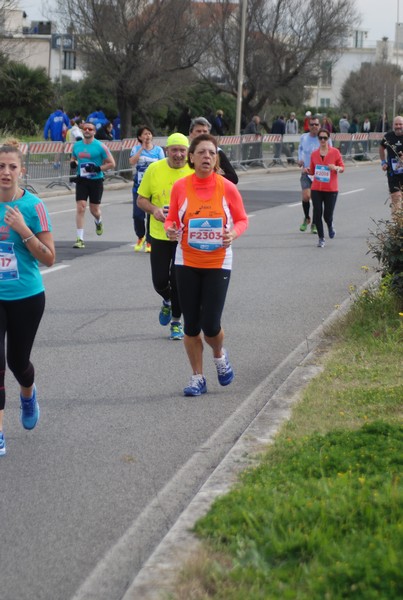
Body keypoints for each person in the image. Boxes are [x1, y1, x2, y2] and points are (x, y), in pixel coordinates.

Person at [165, 133, 248, 396]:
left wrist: (233, 234)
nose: (207, 157)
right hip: (186, 260)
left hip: (218, 262)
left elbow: (242, 219)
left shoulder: (227, 187)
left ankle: (219, 355)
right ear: (191, 157)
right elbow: (171, 220)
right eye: (201, 152)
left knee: (211, 325)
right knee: (191, 325)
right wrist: (170, 230)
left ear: (217, 158)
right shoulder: (181, 187)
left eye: (212, 153)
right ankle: (197, 377)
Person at [0, 139, 55, 457]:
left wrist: (23, 230)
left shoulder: (33, 206)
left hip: (26, 296)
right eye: (1, 167)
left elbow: (48, 258)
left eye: (11, 166)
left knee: (17, 362)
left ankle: (28, 393)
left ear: (22, 170)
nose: (5, 172)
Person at [137, 133, 193, 340]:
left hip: (184, 236)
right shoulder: (154, 169)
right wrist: (154, 210)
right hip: (159, 234)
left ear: (188, 152)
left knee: (177, 280)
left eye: (182, 150)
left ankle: (176, 322)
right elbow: (141, 200)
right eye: (174, 150)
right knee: (160, 281)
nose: (178, 155)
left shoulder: (194, 171)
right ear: (167, 151)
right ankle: (168, 301)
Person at [70, 122, 116, 248]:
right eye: (85, 128)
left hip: (96, 180)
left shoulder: (100, 146)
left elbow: (112, 163)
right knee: (81, 207)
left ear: (94, 132)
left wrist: (98, 168)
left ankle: (98, 220)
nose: (87, 130)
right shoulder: (77, 145)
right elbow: (73, 158)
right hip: (82, 180)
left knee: (94, 210)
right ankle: (80, 239)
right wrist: (73, 163)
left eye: (90, 129)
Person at [129, 125, 165, 252]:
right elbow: (132, 162)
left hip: (153, 186)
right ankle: (140, 236)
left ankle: (149, 242)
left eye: (149, 134)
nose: (147, 136)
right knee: (137, 215)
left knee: (151, 214)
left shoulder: (158, 150)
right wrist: (141, 149)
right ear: (139, 137)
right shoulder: (135, 149)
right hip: (139, 186)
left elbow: (162, 166)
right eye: (144, 134)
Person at [308, 128, 344, 248]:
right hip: (316, 188)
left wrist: (335, 167)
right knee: (317, 213)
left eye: (325, 138)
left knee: (327, 215)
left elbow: (342, 168)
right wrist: (306, 170)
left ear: (328, 139)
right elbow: (312, 171)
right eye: (320, 138)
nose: (322, 140)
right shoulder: (314, 154)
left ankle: (330, 224)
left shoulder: (335, 152)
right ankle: (321, 238)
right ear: (318, 139)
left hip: (331, 189)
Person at [297, 115, 328, 233]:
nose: (314, 126)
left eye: (316, 124)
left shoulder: (324, 138)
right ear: (308, 126)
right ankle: (307, 218)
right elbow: (300, 150)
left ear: (320, 126)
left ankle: (315, 223)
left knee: (316, 200)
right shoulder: (304, 137)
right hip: (306, 172)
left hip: (319, 173)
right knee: (306, 196)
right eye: (312, 124)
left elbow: (330, 153)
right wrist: (300, 160)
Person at [189, 117, 238, 184]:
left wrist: (214, 176)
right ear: (190, 133)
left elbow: (233, 178)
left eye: (205, 131)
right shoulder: (184, 152)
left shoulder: (217, 152)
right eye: (198, 131)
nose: (202, 134)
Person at [379, 115, 403, 218]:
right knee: (396, 199)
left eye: (400, 124)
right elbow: (381, 147)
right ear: (393, 125)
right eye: (396, 124)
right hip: (393, 173)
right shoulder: (388, 136)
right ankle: (398, 227)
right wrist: (383, 162)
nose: (398, 126)